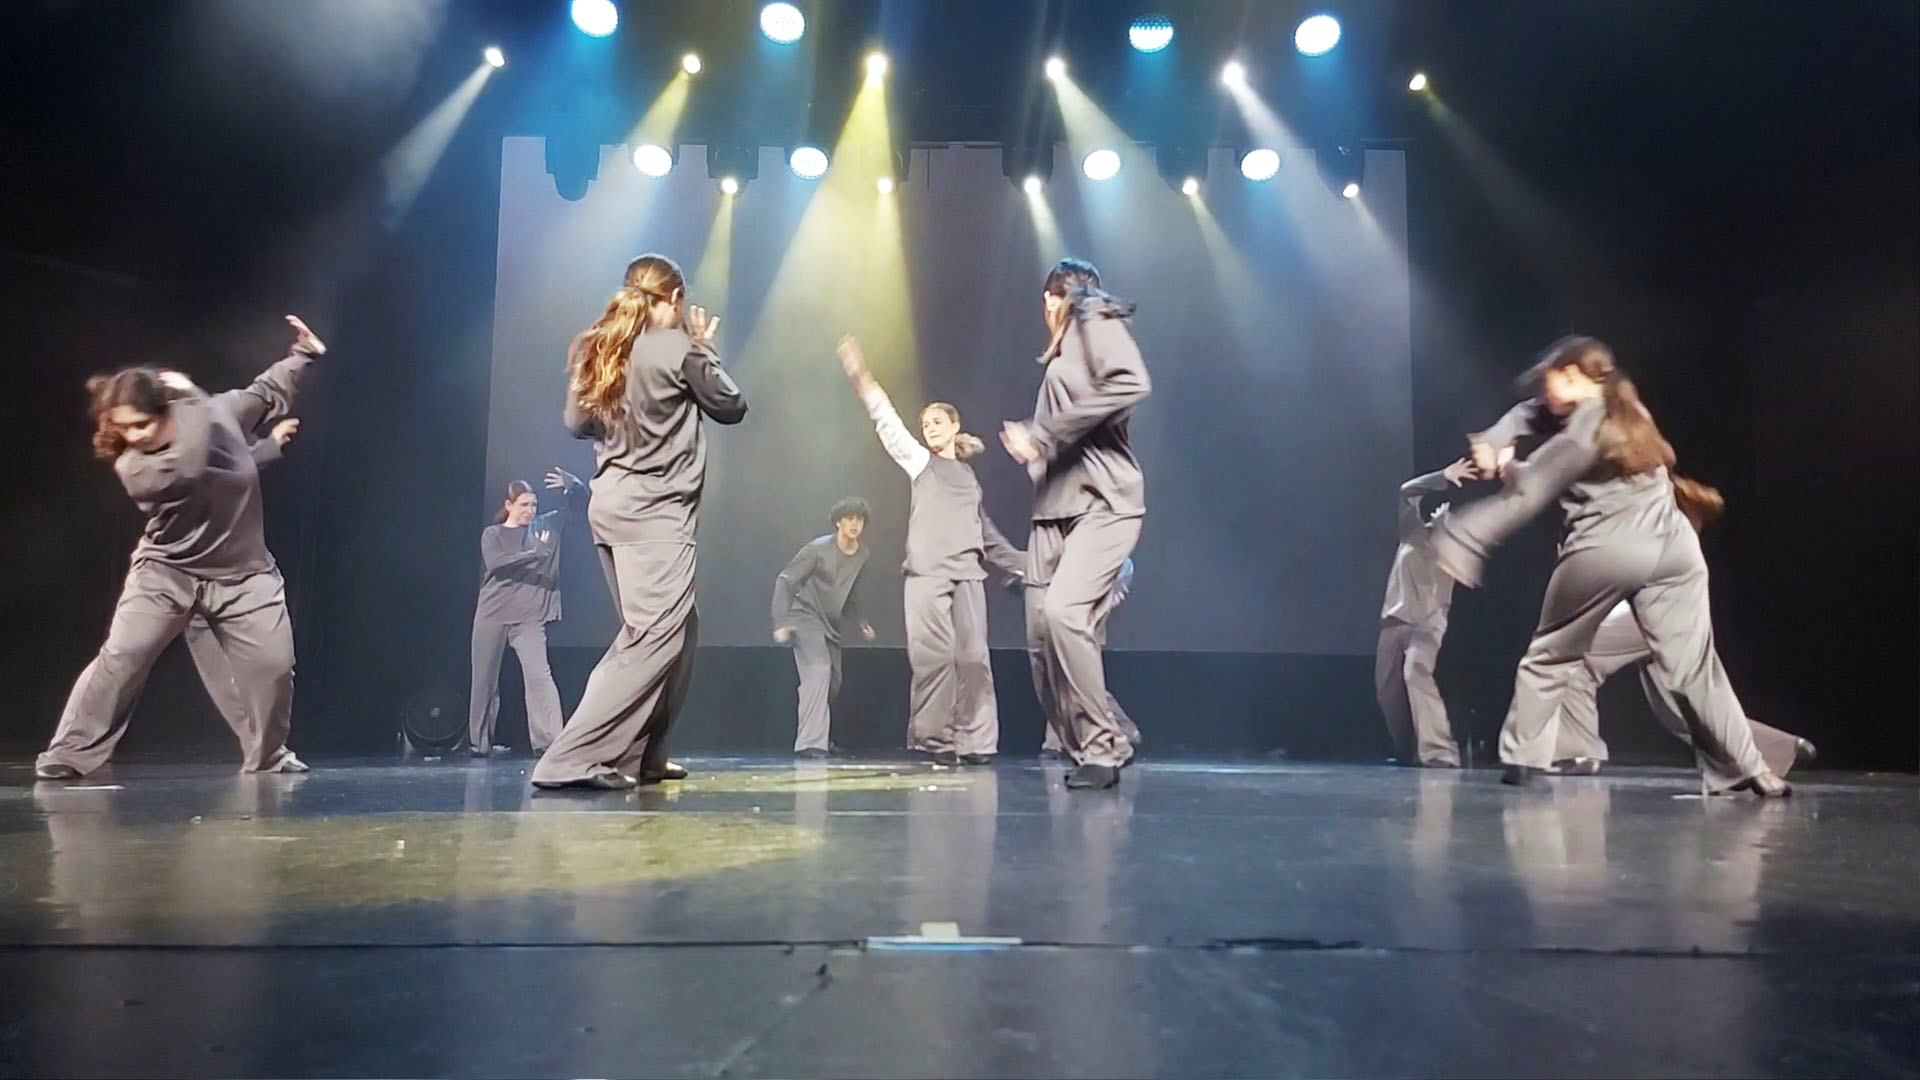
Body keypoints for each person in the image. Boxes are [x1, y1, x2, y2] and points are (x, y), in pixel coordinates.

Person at [1429, 336, 1790, 797]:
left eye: (1548, 381)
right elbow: (1528, 414)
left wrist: (1473, 519)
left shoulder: (1587, 425)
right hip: (1676, 550)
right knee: (1695, 669)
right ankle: (1749, 768)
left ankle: (1523, 758)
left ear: (1571, 375)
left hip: (1611, 547)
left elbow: (1531, 489)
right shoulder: (1627, 407)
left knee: (1551, 655)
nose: (1543, 393)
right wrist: (1496, 437)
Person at [37, 316, 326, 781]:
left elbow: (264, 393)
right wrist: (192, 395)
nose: (133, 436)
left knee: (273, 669)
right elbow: (190, 467)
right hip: (167, 574)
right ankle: (69, 754)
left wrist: (303, 355)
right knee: (123, 656)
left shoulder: (217, 414)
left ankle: (269, 756)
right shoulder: (135, 465)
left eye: (141, 424)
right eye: (124, 428)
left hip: (244, 575)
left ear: (164, 412)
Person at [529, 253, 746, 790]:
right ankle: (568, 758)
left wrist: (625, 414)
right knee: (651, 638)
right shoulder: (679, 348)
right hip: (655, 517)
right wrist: (704, 351)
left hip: (613, 509)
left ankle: (642, 755)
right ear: (675, 300)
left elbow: (575, 422)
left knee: (677, 631)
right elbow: (731, 404)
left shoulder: (600, 345)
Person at [836, 336, 1025, 765]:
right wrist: (862, 378)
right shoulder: (921, 463)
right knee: (934, 659)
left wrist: (1029, 565)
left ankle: (976, 742)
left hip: (968, 575)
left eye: (938, 422)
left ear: (955, 426)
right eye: (925, 424)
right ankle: (937, 740)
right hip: (928, 574)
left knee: (973, 659)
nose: (930, 428)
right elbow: (887, 423)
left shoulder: (968, 479)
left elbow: (987, 534)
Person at [1001, 258, 1150, 790]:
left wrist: (1043, 435)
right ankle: (1092, 744)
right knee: (1041, 644)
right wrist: (1039, 452)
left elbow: (1131, 382)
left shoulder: (1092, 315)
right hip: (1053, 513)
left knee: (1065, 615)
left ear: (1052, 300)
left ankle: (1103, 748)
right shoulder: (1065, 352)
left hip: (1102, 504)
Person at [1548, 602, 1818, 777]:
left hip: (1649, 607)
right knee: (1677, 708)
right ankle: (1777, 749)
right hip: (1668, 609)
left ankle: (1578, 751)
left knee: (1574, 658)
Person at [178, 416, 303, 750]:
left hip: (238, 580)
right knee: (126, 657)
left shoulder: (225, 462)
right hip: (186, 578)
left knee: (271, 668)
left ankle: (266, 748)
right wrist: (269, 446)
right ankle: (260, 746)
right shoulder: (171, 464)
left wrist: (269, 446)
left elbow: (235, 464)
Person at [467, 468, 586, 758]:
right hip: (493, 614)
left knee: (539, 678)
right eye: (523, 505)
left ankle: (550, 742)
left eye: (533, 505)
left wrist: (574, 485)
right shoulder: (493, 534)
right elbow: (497, 563)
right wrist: (534, 554)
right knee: (484, 680)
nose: (530, 510)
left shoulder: (547, 525)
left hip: (529, 618)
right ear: (508, 505)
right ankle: (479, 743)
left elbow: (581, 506)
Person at [1376, 459, 1477, 768]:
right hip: (1394, 622)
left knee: (1416, 673)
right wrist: (1442, 477)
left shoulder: (1454, 554)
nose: (1441, 514)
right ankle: (1407, 750)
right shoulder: (1413, 533)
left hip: (1426, 627)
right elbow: (1406, 491)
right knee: (1388, 693)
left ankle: (1439, 752)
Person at [772, 498, 876, 759]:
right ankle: (810, 743)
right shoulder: (817, 550)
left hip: (831, 624)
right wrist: (780, 621)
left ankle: (819, 734)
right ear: (838, 523)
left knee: (833, 681)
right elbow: (786, 581)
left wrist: (861, 622)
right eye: (849, 519)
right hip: (805, 617)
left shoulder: (862, 554)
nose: (854, 524)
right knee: (818, 670)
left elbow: (849, 592)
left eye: (859, 519)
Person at [1040, 557, 1138, 759]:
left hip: (1087, 625)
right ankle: (1056, 741)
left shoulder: (1118, 561)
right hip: (1068, 623)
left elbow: (1113, 591)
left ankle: (1122, 728)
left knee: (1081, 680)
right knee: (1060, 677)